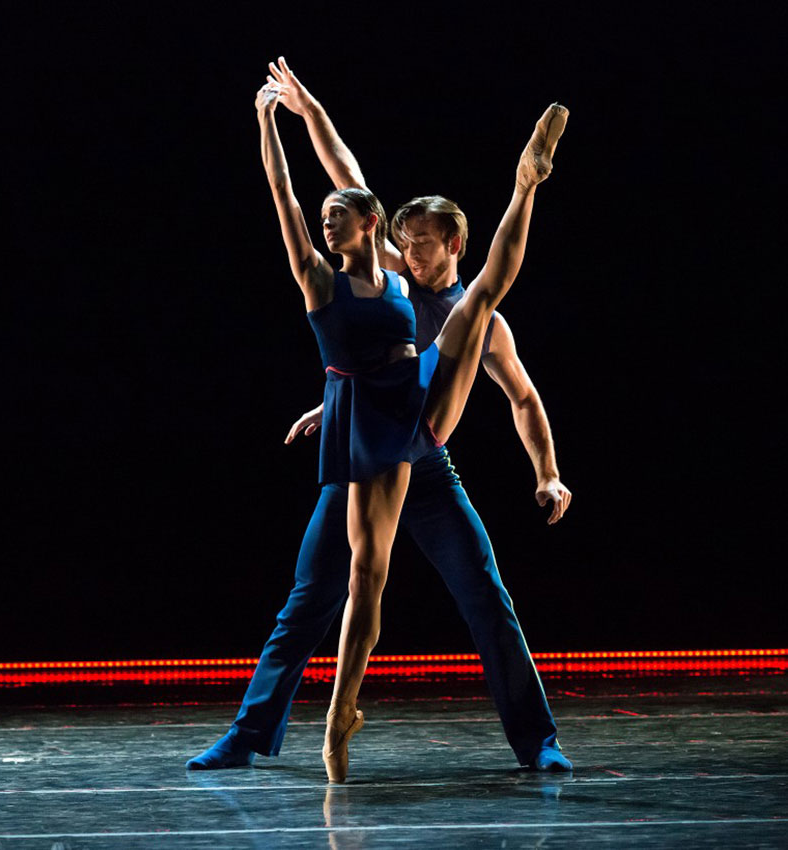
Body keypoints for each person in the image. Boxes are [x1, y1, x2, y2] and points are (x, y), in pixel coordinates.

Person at [189, 65, 568, 783]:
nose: (410, 249)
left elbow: (524, 398)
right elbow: (344, 172)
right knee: (308, 600)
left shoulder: (480, 321)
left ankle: (537, 741)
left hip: (425, 463)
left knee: (487, 597)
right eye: (403, 237)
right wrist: (306, 111)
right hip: (365, 448)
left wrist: (547, 475)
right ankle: (247, 733)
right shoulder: (388, 271)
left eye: (424, 240)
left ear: (455, 243)